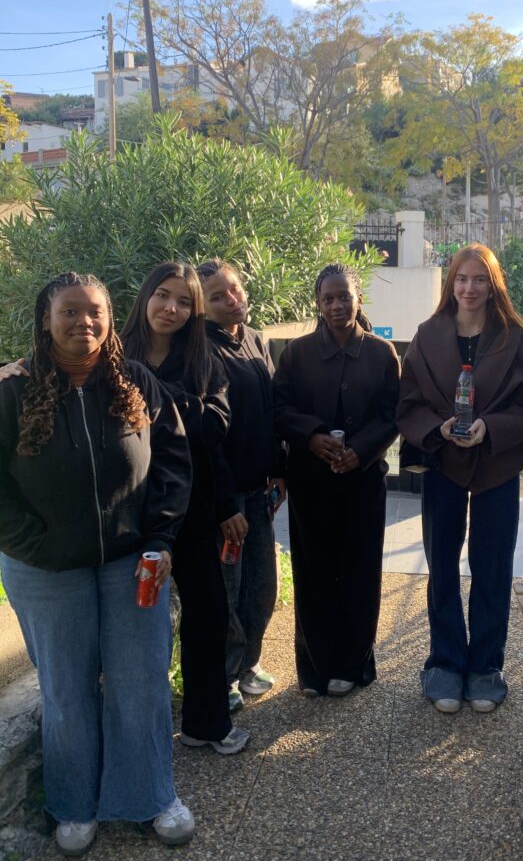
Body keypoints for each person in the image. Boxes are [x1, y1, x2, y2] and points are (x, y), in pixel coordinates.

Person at [0, 272, 195, 856]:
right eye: (70, 311)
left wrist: (160, 538)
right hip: (46, 570)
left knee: (141, 682)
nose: (83, 322)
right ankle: (74, 803)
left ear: (111, 319)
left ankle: (151, 796)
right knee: (67, 688)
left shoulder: (134, 381)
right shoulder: (12, 390)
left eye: (95, 311)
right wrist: (38, 545)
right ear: (45, 318)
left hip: (132, 562)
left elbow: (172, 463)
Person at [397, 244, 523, 714]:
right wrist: (439, 428)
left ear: (492, 285)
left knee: (493, 567)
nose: (469, 288)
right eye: (462, 279)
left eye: (479, 279)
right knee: (441, 565)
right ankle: (445, 663)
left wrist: (492, 426)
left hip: (496, 464)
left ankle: (486, 667)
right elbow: (408, 402)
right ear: (451, 284)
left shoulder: (514, 338)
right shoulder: (427, 335)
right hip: (444, 463)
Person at [121, 262, 249, 756]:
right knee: (135, 622)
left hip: (190, 504)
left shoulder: (202, 360)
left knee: (208, 612)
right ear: (145, 297)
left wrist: (149, 391)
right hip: (127, 509)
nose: (170, 308)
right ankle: (138, 736)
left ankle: (205, 723)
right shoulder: (113, 354)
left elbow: (214, 429)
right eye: (162, 295)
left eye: (182, 301)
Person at [273, 263, 400, 697]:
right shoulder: (296, 354)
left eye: (344, 296)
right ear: (318, 303)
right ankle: (314, 669)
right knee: (314, 574)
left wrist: (360, 451)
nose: (336, 305)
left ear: (357, 298)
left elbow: (393, 413)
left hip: (363, 483)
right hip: (311, 485)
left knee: (360, 573)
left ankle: (353, 664)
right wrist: (311, 437)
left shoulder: (382, 353)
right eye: (327, 298)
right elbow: (279, 408)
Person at [197, 259, 285, 712]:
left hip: (258, 492)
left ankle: (248, 662)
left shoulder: (253, 339)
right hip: (225, 498)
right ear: (201, 306)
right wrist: (224, 505)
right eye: (217, 296)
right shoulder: (199, 350)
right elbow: (206, 439)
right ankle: (225, 674)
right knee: (226, 592)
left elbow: (270, 411)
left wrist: (279, 468)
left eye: (234, 289)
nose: (232, 300)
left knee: (261, 586)